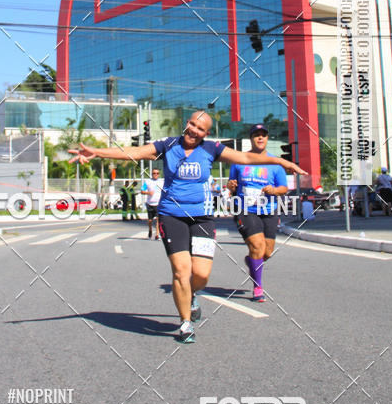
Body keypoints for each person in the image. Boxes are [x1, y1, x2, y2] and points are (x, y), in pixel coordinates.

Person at [70, 110, 305, 343]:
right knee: (181, 271)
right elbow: (134, 152)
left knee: (201, 275)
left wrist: (282, 161)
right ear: (187, 124)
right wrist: (97, 152)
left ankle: (192, 295)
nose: (194, 130)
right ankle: (185, 323)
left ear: (206, 133)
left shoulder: (211, 149)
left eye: (200, 128)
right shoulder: (168, 145)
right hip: (171, 216)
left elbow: (246, 159)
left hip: (201, 217)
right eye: (192, 124)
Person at [227, 124, 289, 303]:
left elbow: (284, 187)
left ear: (267, 138)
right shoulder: (240, 160)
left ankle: (252, 261)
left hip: (268, 210)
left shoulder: (275, 163)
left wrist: (274, 190)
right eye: (256, 135)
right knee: (257, 246)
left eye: (263, 135)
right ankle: (258, 286)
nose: (260, 138)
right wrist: (230, 186)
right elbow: (232, 184)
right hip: (245, 209)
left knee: (267, 252)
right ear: (251, 139)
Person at [142, 168, 163, 239]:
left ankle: (157, 234)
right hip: (149, 203)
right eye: (154, 173)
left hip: (158, 203)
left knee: (158, 219)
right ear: (152, 174)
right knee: (150, 220)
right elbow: (142, 191)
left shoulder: (162, 182)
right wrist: (148, 193)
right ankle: (150, 229)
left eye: (157, 173)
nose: (156, 175)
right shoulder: (148, 182)